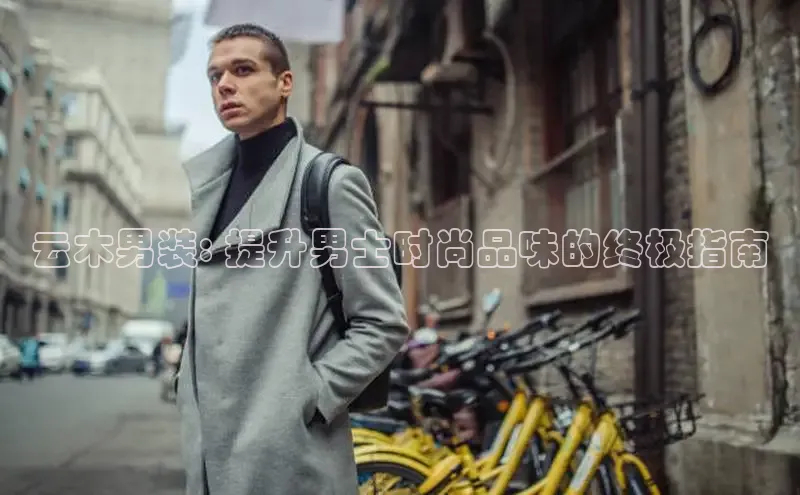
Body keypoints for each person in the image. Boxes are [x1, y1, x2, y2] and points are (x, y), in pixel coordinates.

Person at [176, 23, 409, 495]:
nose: (225, 85)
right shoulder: (212, 188)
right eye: (215, 75)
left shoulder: (328, 183)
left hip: (291, 460)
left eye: (243, 70)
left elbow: (382, 322)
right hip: (211, 454)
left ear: (285, 83)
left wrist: (305, 400)